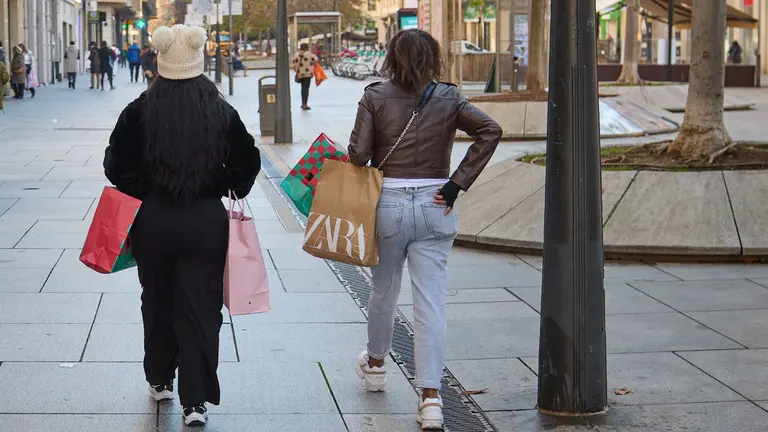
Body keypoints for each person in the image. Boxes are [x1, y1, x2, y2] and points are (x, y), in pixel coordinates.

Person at [104, 24, 260, 427]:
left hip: (153, 220)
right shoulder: (220, 110)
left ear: (160, 62)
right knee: (201, 308)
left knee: (156, 299)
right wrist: (225, 185)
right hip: (205, 222)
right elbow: (248, 161)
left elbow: (115, 165)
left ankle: (160, 378)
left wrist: (143, 189)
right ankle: (195, 400)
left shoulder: (139, 109)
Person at [347, 29, 501, 431]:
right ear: (431, 57)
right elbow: (490, 130)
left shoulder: (375, 95)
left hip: (389, 204)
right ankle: (431, 399)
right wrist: (455, 184)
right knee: (430, 302)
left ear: (392, 57)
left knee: (383, 289)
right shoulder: (449, 97)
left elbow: (359, 154)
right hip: (437, 202)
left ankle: (376, 365)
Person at [291, 43, 318, 111]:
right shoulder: (309, 54)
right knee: (306, 89)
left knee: (303, 89)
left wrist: (297, 71)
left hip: (300, 74)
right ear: (307, 47)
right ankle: (304, 104)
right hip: (308, 75)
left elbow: (293, 64)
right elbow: (316, 60)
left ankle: (303, 103)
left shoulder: (296, 54)